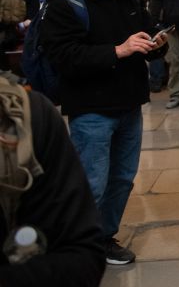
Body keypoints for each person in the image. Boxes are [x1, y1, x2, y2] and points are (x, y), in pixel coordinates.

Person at [39, 0, 168, 265]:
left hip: (129, 103)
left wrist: (157, 44)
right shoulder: (67, 4)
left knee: (122, 178)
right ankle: (75, 245)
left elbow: (145, 29)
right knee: (91, 182)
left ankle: (103, 237)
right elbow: (64, 57)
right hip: (92, 108)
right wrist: (118, 50)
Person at [0, 78, 105, 286]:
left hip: (111, 103)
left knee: (115, 181)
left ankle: (110, 234)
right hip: (90, 107)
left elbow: (81, 257)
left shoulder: (28, 116)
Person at [139, 0, 177, 93]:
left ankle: (156, 82)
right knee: (176, 51)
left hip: (157, 14)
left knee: (156, 47)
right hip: (175, 14)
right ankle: (177, 82)